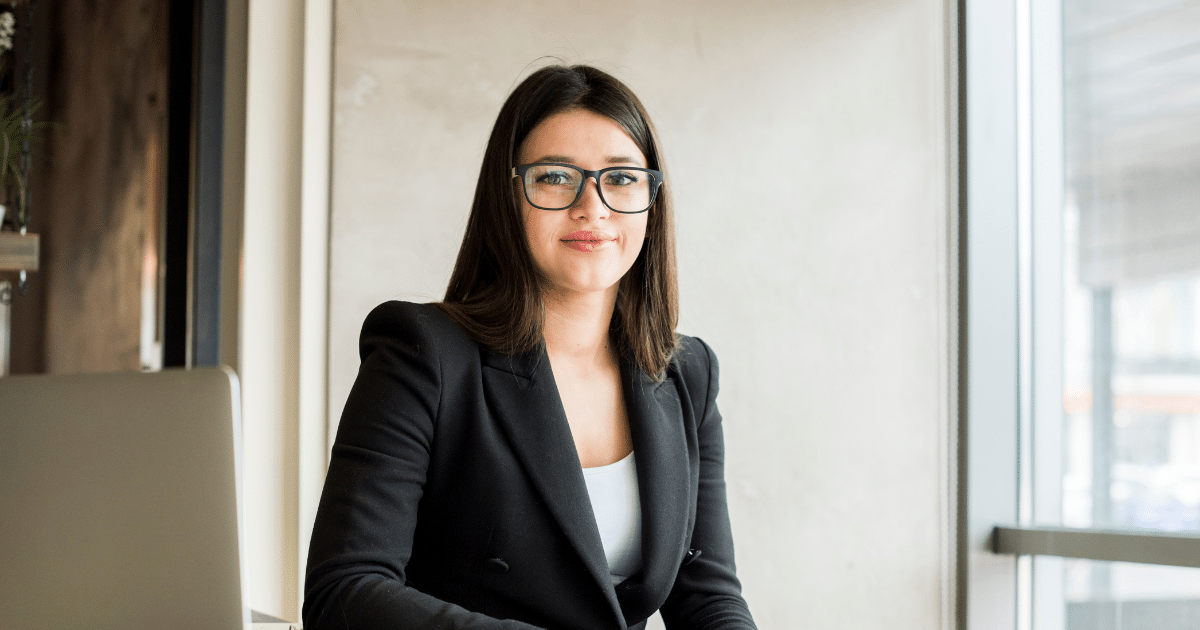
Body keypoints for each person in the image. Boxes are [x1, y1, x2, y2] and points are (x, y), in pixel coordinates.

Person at [303, 64, 757, 630]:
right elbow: (345, 591)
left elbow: (708, 598)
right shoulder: (422, 354)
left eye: (620, 179)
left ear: (652, 201)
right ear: (507, 195)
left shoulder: (688, 373)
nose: (592, 206)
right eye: (554, 177)